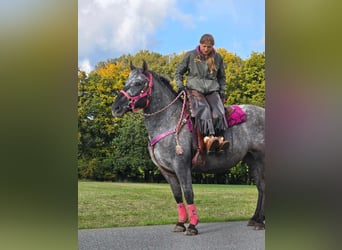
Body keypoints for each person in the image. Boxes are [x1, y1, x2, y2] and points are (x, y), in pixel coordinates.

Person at [175, 33, 229, 154]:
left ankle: (219, 139)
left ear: (212, 46)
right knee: (203, 109)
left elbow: (222, 77)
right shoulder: (190, 55)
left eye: (209, 47)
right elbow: (178, 72)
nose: (206, 49)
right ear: (200, 44)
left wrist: (222, 92)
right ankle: (208, 139)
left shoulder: (218, 57)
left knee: (218, 111)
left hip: (212, 89)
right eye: (204, 46)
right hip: (194, 89)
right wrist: (180, 86)